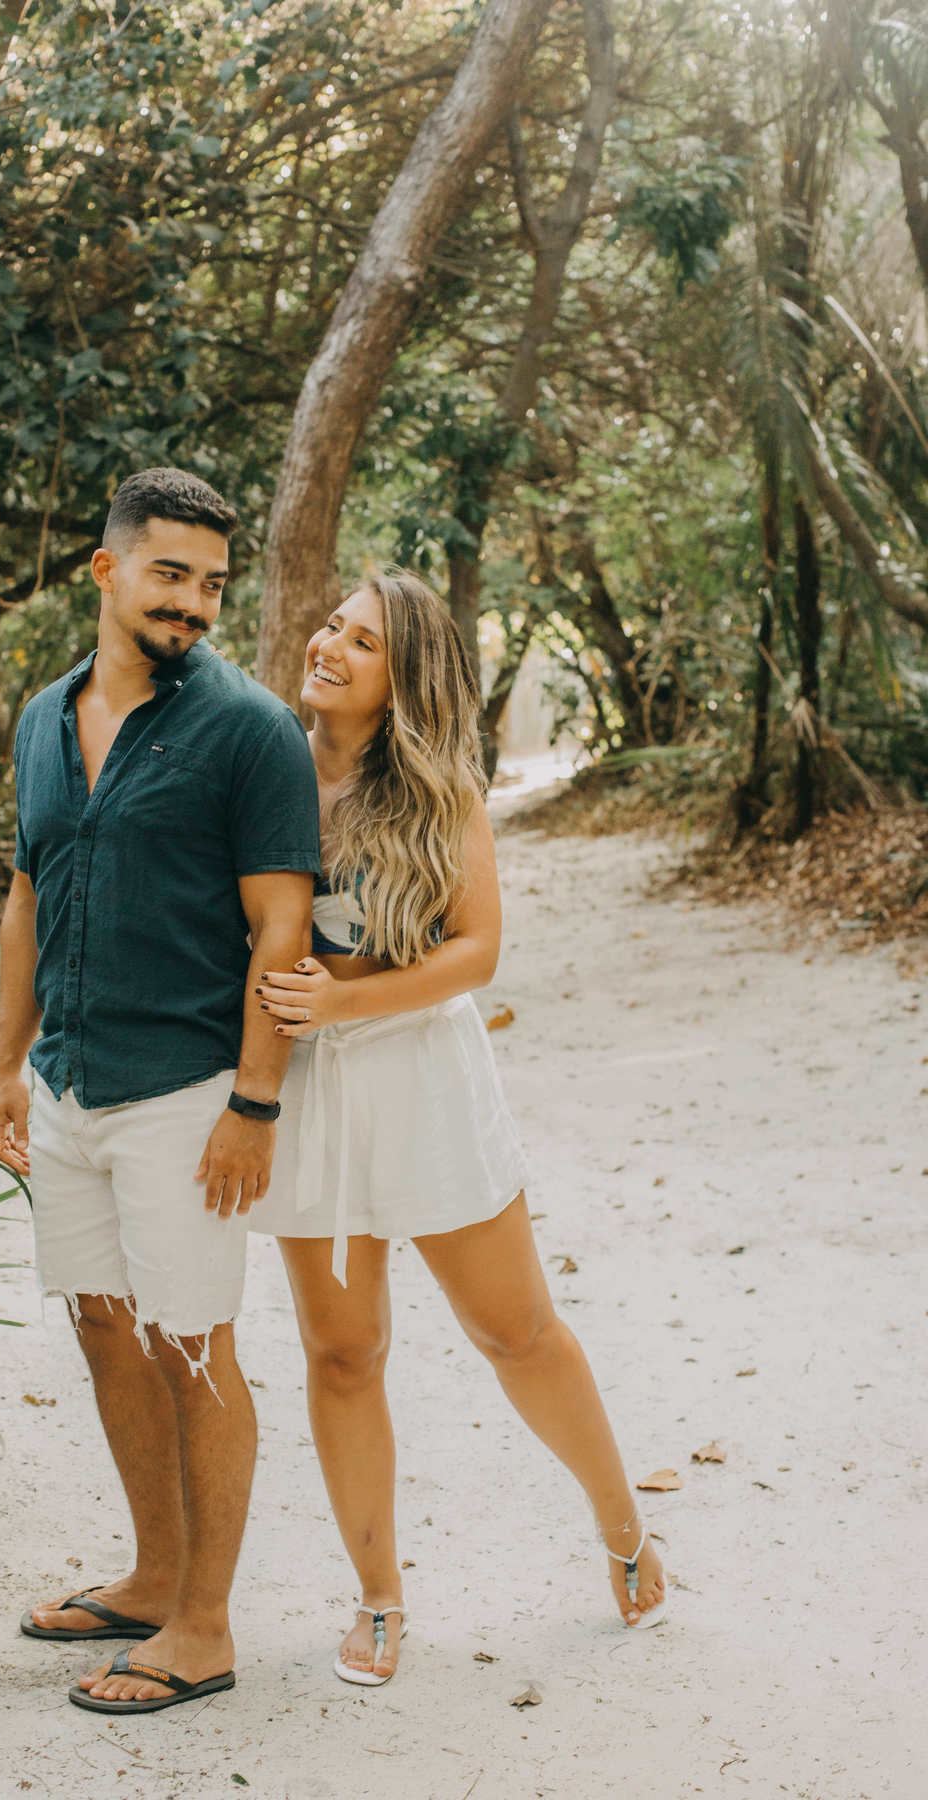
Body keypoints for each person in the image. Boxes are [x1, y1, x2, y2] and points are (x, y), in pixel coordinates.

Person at [247, 567, 667, 1687]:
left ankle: (623, 1524)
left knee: (515, 1331)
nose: (330, 645)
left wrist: (344, 998)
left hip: (422, 1072)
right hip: (311, 1095)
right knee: (343, 1350)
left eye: (363, 641)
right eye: (332, 624)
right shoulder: (259, 768)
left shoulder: (437, 790)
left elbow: (475, 950)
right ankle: (379, 1599)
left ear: (404, 679)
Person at [0, 468, 319, 1716]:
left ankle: (208, 1630)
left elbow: (283, 930)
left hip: (187, 1092)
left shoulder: (248, 729)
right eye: (171, 573)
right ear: (105, 567)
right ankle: (154, 1575)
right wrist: (6, 1065)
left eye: (214, 583)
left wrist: (254, 1104)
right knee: (101, 1323)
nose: (194, 603)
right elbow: (28, 897)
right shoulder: (38, 719)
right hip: (69, 1082)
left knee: (195, 1345)